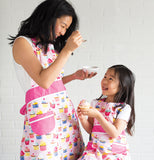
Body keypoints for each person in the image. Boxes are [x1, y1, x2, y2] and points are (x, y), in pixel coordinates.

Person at [8, 0, 96, 159]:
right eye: (63, 26)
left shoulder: (49, 46)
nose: (63, 32)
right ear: (48, 17)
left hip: (63, 113)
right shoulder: (23, 43)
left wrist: (74, 76)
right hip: (43, 115)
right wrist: (67, 50)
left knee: (71, 156)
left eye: (66, 29)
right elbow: (43, 81)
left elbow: (53, 84)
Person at [77, 64, 135, 160]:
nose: (104, 81)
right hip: (94, 152)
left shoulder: (124, 108)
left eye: (110, 79)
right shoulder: (96, 104)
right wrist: (82, 119)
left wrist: (99, 116)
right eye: (105, 77)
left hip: (113, 154)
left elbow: (114, 133)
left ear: (122, 86)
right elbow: (91, 130)